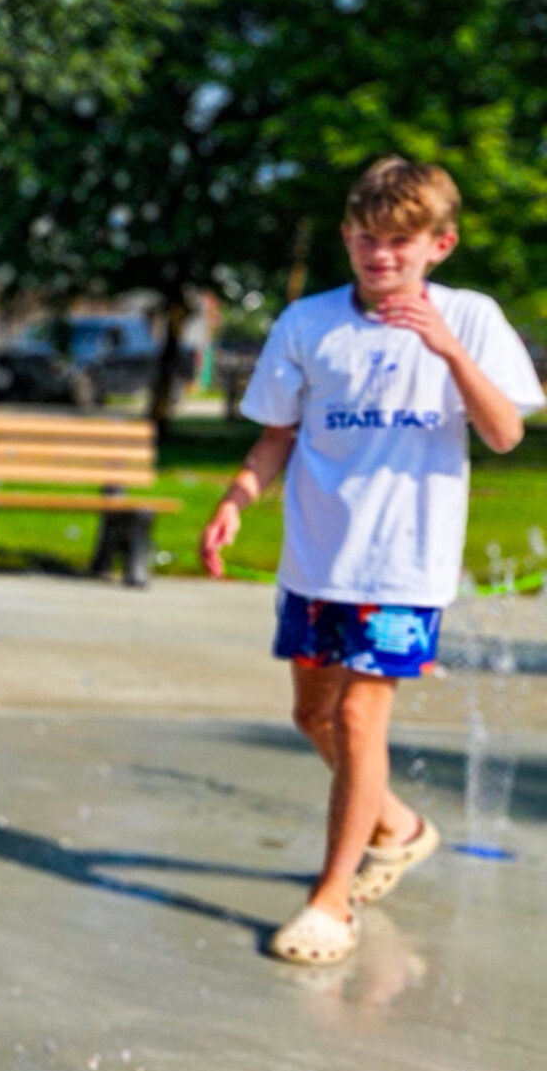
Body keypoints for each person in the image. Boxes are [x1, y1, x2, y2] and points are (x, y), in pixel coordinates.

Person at [202, 157, 544, 964]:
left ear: (439, 245)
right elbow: (279, 432)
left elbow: (505, 433)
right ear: (347, 238)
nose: (380, 255)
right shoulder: (309, 324)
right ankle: (398, 826)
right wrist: (235, 499)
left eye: (399, 241)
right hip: (318, 559)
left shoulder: (471, 317)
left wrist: (450, 352)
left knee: (359, 718)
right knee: (312, 717)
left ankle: (331, 902)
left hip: (404, 566)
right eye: (365, 238)